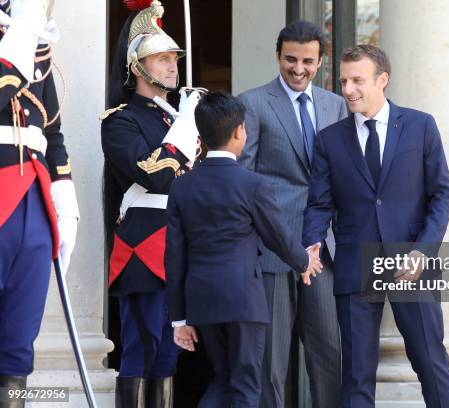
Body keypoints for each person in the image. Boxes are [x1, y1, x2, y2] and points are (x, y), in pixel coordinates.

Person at [302, 44, 449, 407]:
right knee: (356, 374)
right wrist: (311, 241)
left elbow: (441, 196)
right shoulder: (329, 139)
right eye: (343, 80)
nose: (348, 89)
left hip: (412, 263)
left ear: (382, 80)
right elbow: (319, 203)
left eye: (357, 80)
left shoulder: (421, 126)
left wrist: (423, 251)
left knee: (430, 362)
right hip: (356, 265)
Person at [165, 91, 322, 408]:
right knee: (246, 386)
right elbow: (277, 234)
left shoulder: (182, 185)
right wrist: (305, 261)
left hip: (202, 301)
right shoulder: (252, 184)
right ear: (239, 131)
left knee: (223, 381)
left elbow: (174, 256)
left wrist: (179, 319)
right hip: (243, 299)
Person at [237, 20, 346, 407]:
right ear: (278, 56)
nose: (298, 69)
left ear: (320, 62)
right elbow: (244, 180)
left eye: (308, 61)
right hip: (272, 251)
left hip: (324, 251)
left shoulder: (336, 105)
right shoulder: (252, 103)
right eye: (290, 60)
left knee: (330, 355)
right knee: (270, 362)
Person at [100, 0, 200, 405]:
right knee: (142, 347)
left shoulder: (174, 117)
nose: (173, 66)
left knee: (169, 353)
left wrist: (186, 121)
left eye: (174, 58)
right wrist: (185, 127)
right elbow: (154, 174)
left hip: (179, 242)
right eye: (161, 59)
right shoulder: (120, 119)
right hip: (143, 246)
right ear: (137, 67)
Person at [0, 0, 79, 404]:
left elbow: (52, 128)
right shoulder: (21, 39)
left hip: (33, 192)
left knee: (19, 337)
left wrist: (65, 194)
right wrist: (16, 44)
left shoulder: (32, 39)